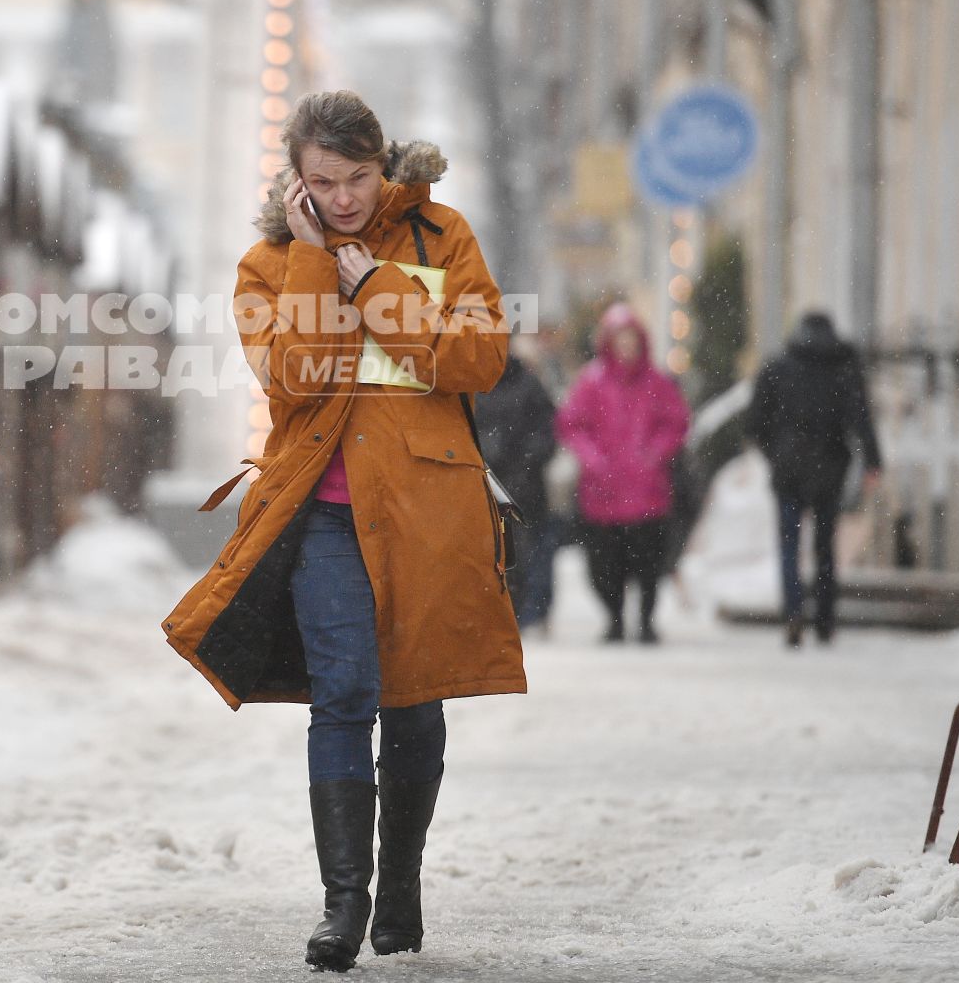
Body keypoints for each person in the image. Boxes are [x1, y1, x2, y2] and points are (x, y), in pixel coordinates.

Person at [163, 90, 518, 972]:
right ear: (297, 179)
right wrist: (320, 266)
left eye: (359, 176)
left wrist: (381, 287)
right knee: (344, 693)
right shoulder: (267, 265)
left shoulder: (442, 239)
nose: (347, 195)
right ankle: (345, 905)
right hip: (322, 515)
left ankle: (402, 880)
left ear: (382, 163)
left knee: (415, 696)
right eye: (325, 180)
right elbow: (296, 381)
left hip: (427, 511)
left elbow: (480, 358)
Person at [743, 310, 883, 647]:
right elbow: (861, 419)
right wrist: (872, 461)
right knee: (825, 546)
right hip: (829, 467)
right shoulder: (843, 369)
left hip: (789, 467)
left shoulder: (778, 368)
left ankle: (793, 613)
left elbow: (753, 423)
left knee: (789, 546)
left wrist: (774, 452)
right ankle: (824, 619)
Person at [554, 304, 690, 645]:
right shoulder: (591, 382)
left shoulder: (656, 383)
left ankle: (645, 619)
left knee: (649, 562)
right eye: (620, 340)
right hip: (604, 493)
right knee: (604, 564)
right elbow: (571, 425)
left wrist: (653, 454)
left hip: (647, 492)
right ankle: (614, 617)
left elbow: (676, 422)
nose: (626, 348)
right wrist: (594, 460)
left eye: (631, 340)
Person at [476, 346, 560, 629]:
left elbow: (547, 432)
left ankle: (526, 613)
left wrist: (525, 461)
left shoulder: (528, 385)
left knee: (526, 555)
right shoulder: (470, 385)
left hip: (524, 488)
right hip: (482, 484)